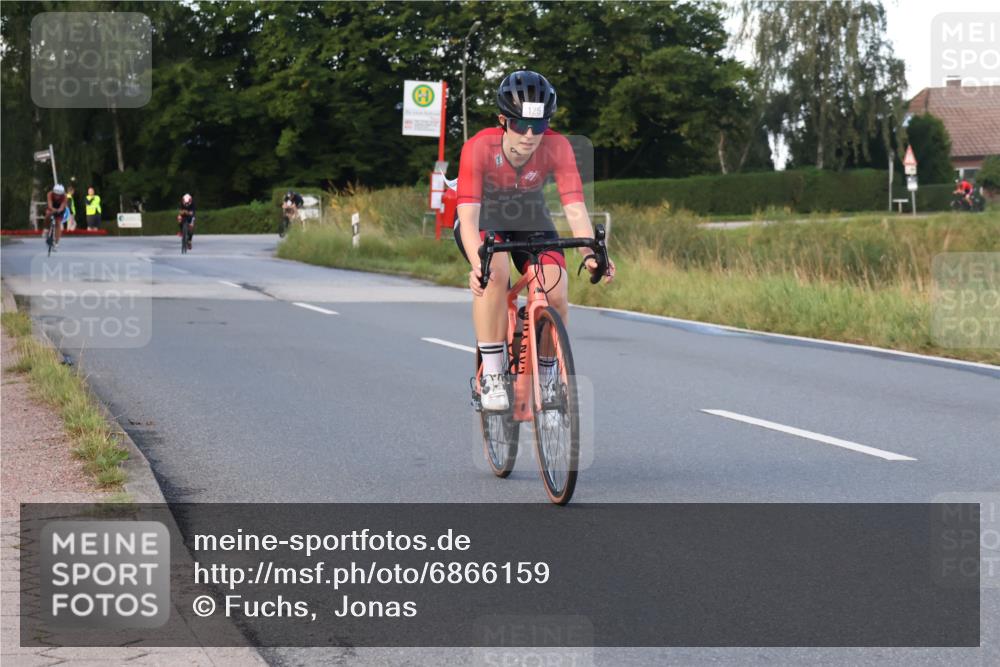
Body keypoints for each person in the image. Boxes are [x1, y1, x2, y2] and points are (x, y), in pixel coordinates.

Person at [453, 70, 615, 410]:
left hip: (529, 214)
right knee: (494, 274)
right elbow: (467, 219)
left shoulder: (558, 147)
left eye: (539, 126)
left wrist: (591, 253)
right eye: (519, 125)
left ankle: (548, 373)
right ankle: (495, 375)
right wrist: (476, 264)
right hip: (485, 217)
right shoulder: (478, 148)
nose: (529, 135)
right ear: (502, 120)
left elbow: (575, 209)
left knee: (555, 287)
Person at [44, 183, 69, 248]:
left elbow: (62, 206)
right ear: (53, 192)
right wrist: (52, 210)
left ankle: (56, 242)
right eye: (56, 194)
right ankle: (46, 229)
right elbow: (49, 204)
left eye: (59, 195)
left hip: (59, 208)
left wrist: (59, 210)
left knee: (58, 223)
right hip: (52, 206)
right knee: (48, 214)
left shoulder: (65, 196)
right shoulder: (49, 194)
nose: (57, 196)